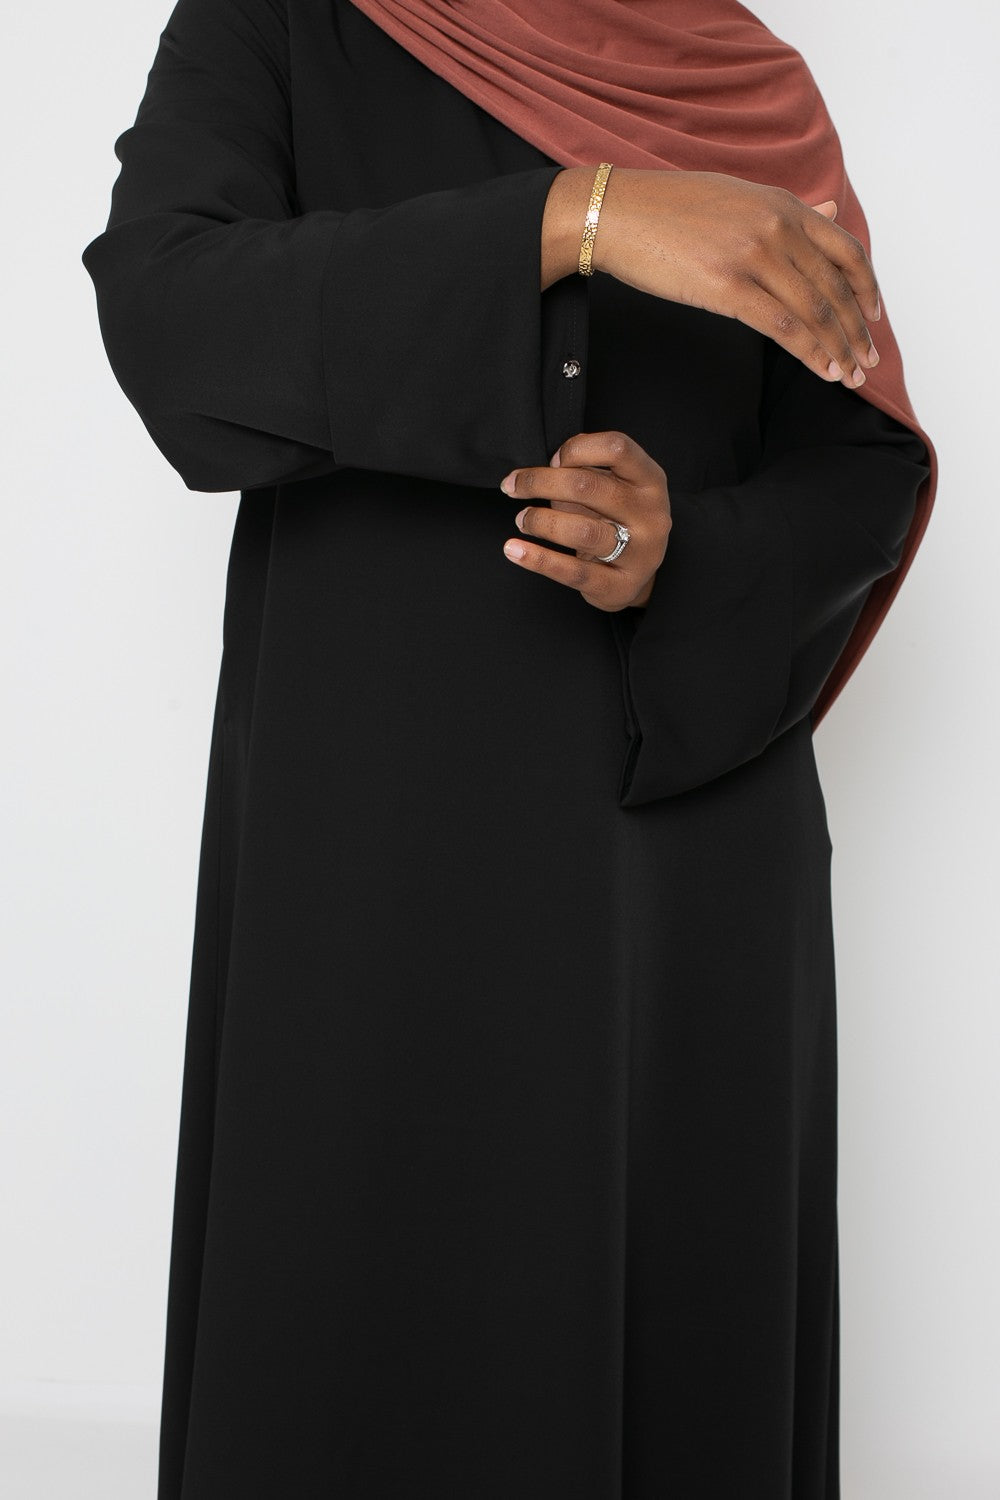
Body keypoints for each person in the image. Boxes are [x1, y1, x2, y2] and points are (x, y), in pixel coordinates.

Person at [81, 1, 936, 1495]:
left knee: (680, 1342)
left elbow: (856, 471)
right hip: (375, 824)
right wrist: (578, 216)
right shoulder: (282, 20)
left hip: (680, 851)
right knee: (366, 1319)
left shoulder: (747, 85)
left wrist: (686, 546)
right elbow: (170, 317)